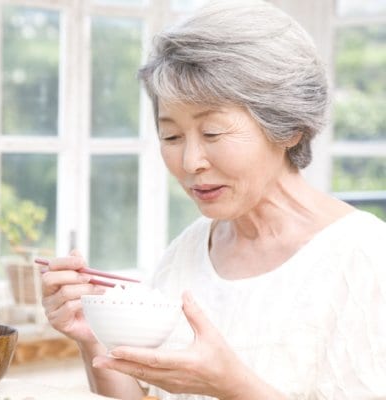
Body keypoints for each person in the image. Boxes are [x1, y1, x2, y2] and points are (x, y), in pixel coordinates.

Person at [40, 1, 386, 399]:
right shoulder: (189, 250)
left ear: (289, 127)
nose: (190, 162)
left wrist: (232, 387)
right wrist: (92, 335)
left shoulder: (366, 257)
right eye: (171, 136)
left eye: (213, 133)